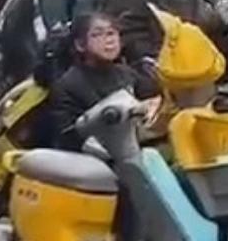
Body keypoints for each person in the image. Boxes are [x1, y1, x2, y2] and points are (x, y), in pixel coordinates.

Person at [48, 11, 158, 152]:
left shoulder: (126, 73)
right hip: (96, 161)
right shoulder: (67, 85)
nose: (108, 40)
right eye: (97, 34)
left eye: (111, 33)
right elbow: (68, 138)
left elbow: (154, 96)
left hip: (137, 150)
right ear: (80, 45)